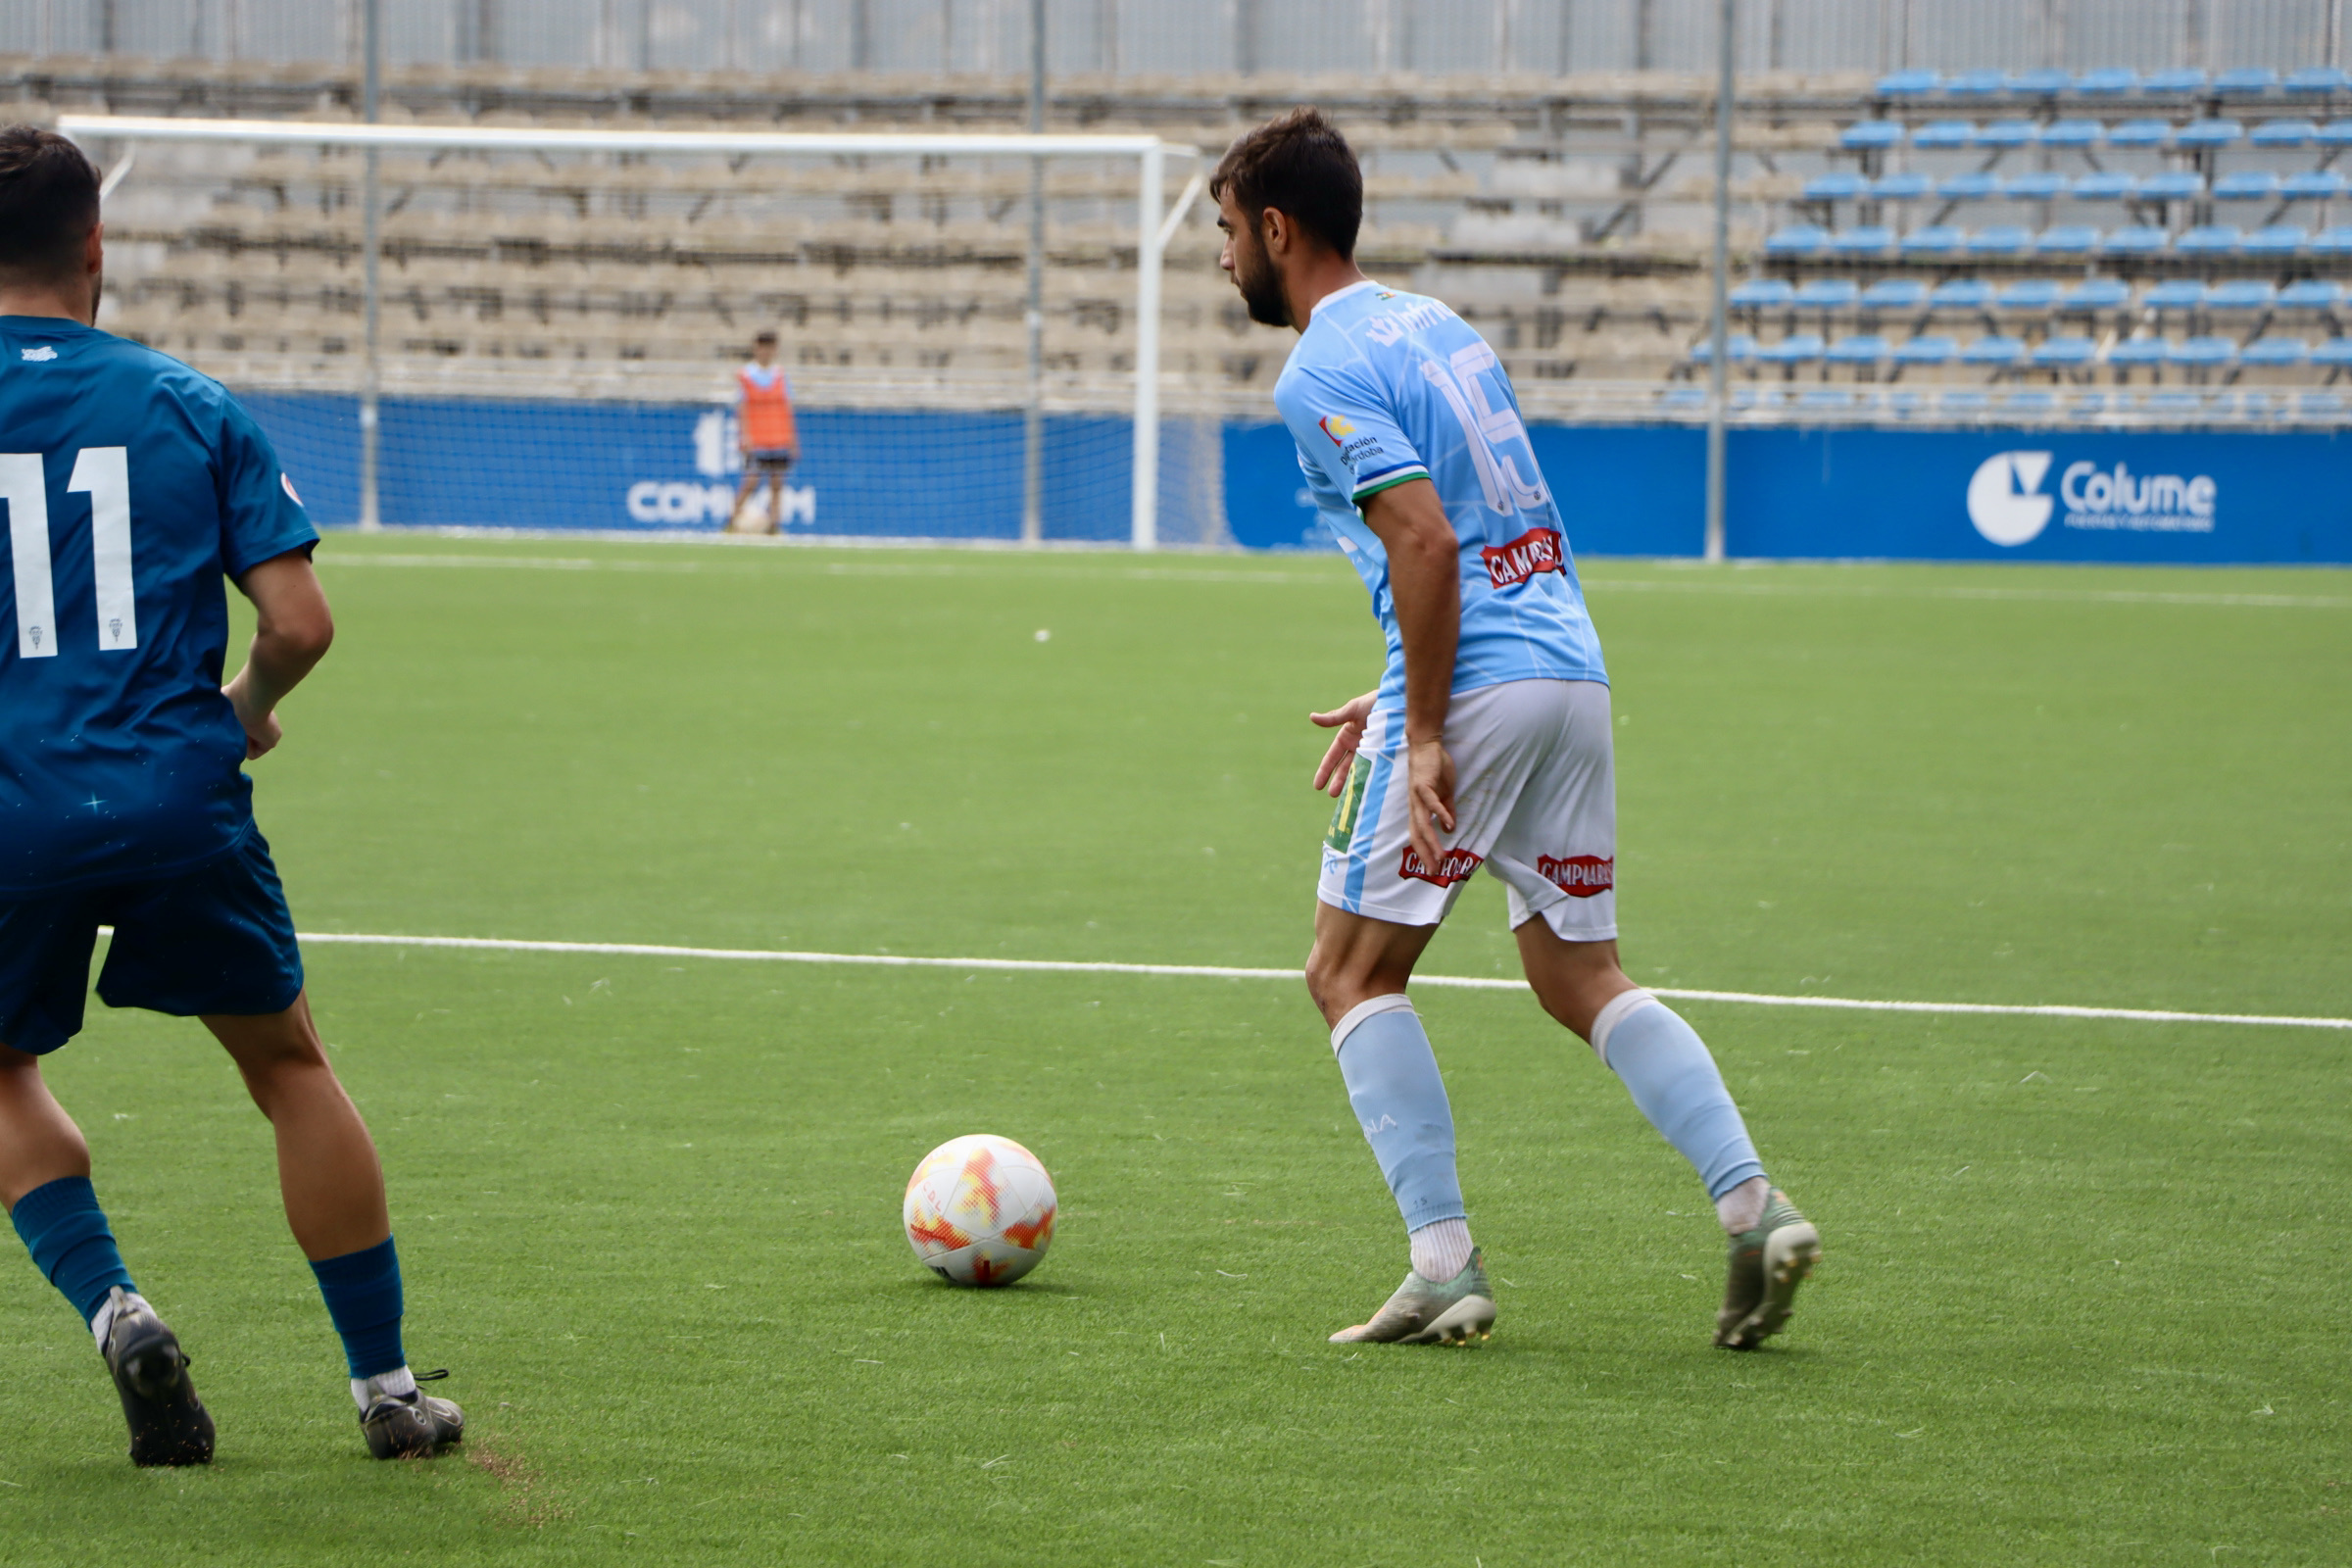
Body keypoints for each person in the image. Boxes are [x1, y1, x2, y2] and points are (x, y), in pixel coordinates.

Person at [1212, 109, 1820, 1348]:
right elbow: (1490, 529)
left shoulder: (1317, 366)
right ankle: (1754, 1205)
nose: (1225, 259)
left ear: (1278, 228)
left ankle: (1444, 1262)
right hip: (1568, 669)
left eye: (1229, 232)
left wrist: (1425, 728)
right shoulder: (1436, 324)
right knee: (1576, 971)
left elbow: (1430, 538)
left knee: (1348, 972)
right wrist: (1399, 689)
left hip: (1481, 684)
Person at [0, 126, 462, 1463]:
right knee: (287, 1067)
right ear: (96, 246)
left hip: (10, 808)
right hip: (172, 793)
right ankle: (384, 1391)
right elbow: (303, 623)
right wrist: (245, 714)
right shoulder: (186, 403)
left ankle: (118, 1309)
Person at [730, 329, 799, 533]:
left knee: (777, 483)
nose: (766, 352)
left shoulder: (780, 375)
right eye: (762, 348)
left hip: (778, 436)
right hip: (757, 437)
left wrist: (792, 439)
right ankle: (731, 521)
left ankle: (774, 525)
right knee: (751, 480)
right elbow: (741, 407)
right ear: (756, 349)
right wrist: (745, 435)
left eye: (770, 348)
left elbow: (787, 407)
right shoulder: (746, 375)